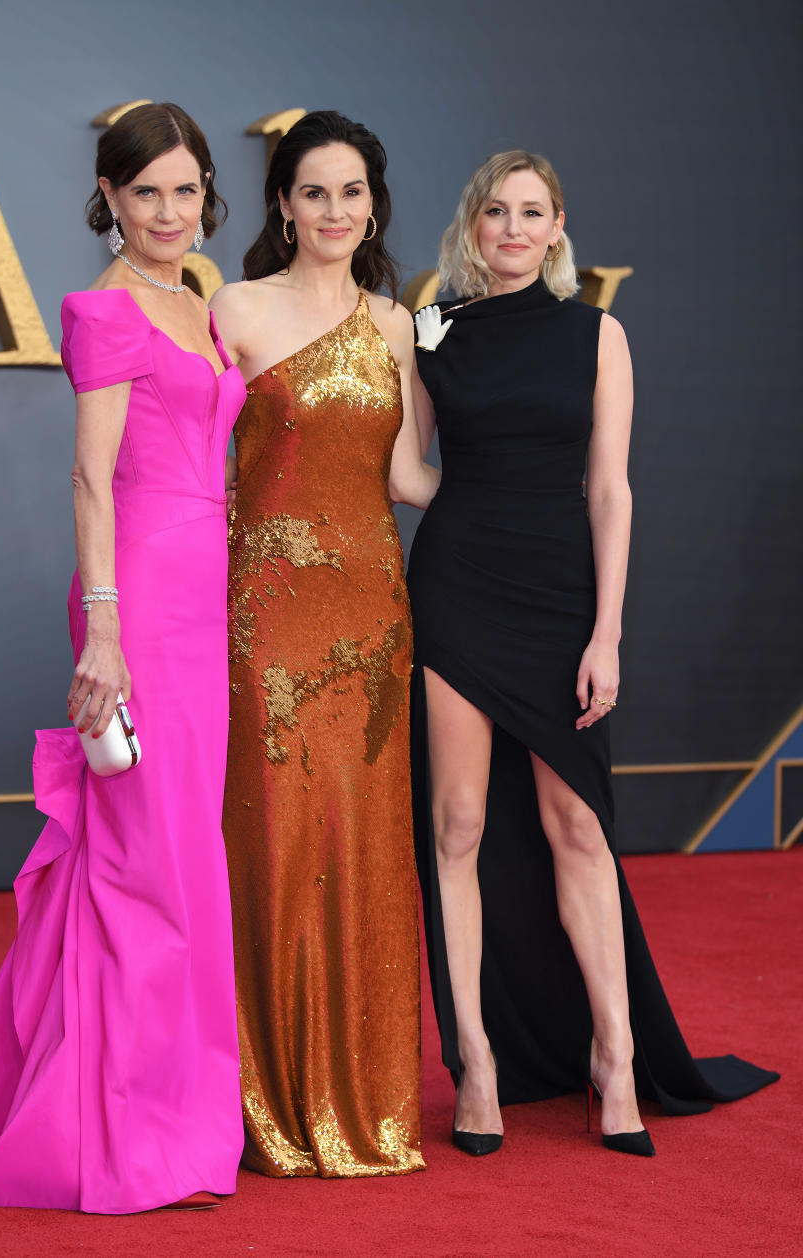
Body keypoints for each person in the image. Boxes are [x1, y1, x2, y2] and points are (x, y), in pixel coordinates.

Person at [0, 103, 246, 1211]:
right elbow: (91, 477)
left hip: (205, 596)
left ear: (206, 192)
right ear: (110, 200)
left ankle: (160, 1097)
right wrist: (108, 630)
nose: (169, 212)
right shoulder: (101, 310)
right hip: (135, 595)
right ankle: (120, 1124)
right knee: (140, 859)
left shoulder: (204, 304)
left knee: (177, 851)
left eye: (186, 190)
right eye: (146, 194)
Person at [408, 150, 778, 1158]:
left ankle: (615, 1056)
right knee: (458, 823)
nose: (515, 230)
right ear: (473, 226)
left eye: (534, 213)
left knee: (577, 825)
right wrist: (480, 510)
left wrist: (606, 632)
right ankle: (475, 1061)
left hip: (563, 600)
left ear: (560, 226)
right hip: (455, 590)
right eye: (498, 212)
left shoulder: (596, 334)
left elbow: (611, 492)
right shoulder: (431, 332)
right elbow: (405, 466)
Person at [210, 111, 439, 1178]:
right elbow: (199, 473)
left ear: (374, 204)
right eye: (315, 193)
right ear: (284, 206)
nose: (336, 211)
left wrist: (525, 493)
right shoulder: (236, 310)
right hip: (264, 610)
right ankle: (264, 1091)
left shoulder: (398, 326)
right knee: (274, 837)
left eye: (353, 192)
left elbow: (406, 481)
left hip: (372, 618)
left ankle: (367, 1100)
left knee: (362, 841)